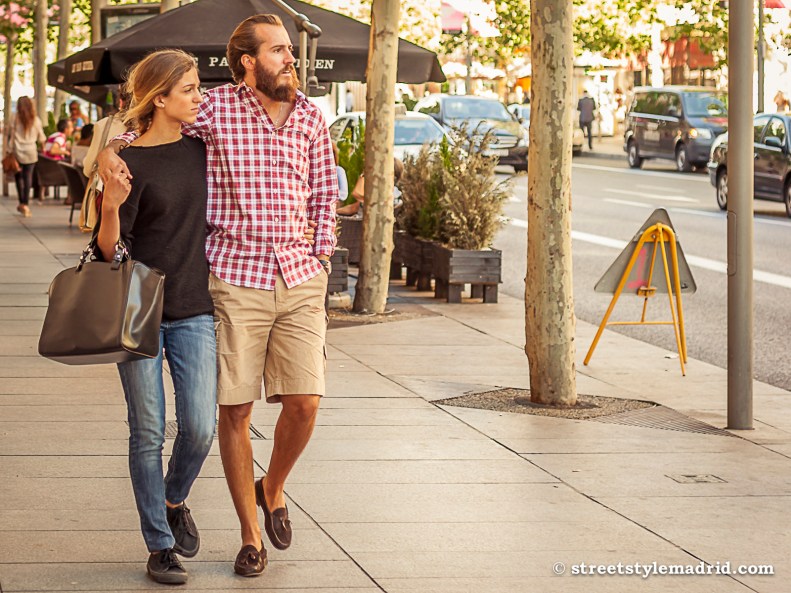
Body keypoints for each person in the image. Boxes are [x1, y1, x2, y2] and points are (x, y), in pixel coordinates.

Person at [99, 14, 337, 578]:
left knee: (297, 405)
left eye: (290, 49)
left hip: (292, 278)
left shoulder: (309, 115)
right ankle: (235, 538)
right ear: (248, 61)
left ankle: (266, 487)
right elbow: (149, 124)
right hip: (224, 280)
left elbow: (325, 191)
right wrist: (110, 151)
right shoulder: (214, 109)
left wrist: (322, 254)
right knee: (215, 416)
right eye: (278, 50)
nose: (290, 58)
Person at [96, 50, 217, 585]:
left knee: (200, 427)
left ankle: (172, 499)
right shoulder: (129, 164)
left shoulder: (205, 149)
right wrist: (110, 204)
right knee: (147, 431)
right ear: (160, 98)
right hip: (137, 309)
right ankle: (159, 546)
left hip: (194, 307)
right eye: (189, 89)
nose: (199, 97)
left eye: (198, 87)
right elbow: (107, 252)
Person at [5, 96, 46, 218]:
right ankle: (26, 204)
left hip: (17, 151)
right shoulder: (36, 119)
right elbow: (41, 137)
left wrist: (8, 150)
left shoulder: (14, 118)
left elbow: (10, 134)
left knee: (18, 177)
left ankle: (21, 202)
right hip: (31, 151)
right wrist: (43, 147)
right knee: (28, 177)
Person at [336, 157, 403, 216]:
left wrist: (365, 173)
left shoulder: (383, 194)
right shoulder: (394, 192)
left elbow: (356, 194)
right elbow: (354, 207)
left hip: (362, 224)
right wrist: (335, 212)